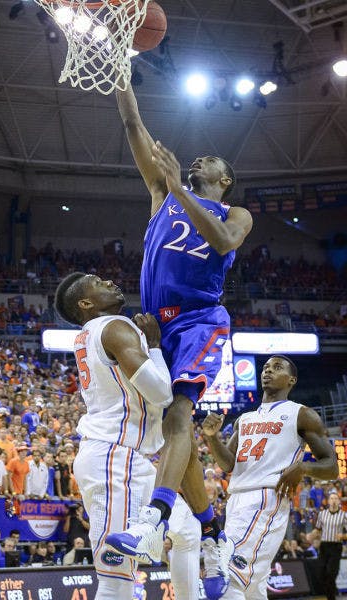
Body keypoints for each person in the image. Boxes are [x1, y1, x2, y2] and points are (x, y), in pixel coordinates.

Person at [113, 81, 252, 597]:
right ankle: (213, 532)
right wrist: (119, 66)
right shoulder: (161, 190)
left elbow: (222, 242)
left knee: (177, 417)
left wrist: (176, 189)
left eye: (209, 159)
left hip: (200, 320)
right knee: (179, 436)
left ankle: (154, 520)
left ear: (224, 179)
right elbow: (132, 124)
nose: (197, 160)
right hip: (155, 327)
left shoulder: (235, 213)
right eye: (192, 161)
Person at [54, 273, 201, 600]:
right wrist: (154, 347)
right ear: (86, 303)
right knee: (116, 581)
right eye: (98, 282)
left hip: (128, 459)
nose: (110, 282)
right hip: (113, 460)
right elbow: (162, 394)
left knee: (187, 532)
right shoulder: (114, 327)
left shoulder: (89, 334)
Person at [201, 355, 339, 599]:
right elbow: (228, 463)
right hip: (236, 501)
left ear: (291, 380)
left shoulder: (301, 414)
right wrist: (212, 437)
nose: (268, 371)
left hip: (267, 498)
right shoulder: (245, 419)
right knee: (253, 588)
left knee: (228, 575)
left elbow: (331, 467)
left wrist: (304, 468)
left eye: (277, 368)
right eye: (265, 368)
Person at [307, 491, 347, 600]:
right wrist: (311, 535)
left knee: (331, 573)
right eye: (332, 498)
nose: (333, 500)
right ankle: (332, 591)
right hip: (324, 546)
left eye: (335, 498)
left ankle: (331, 597)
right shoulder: (322, 514)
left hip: (336, 546)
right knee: (320, 573)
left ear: (338, 501)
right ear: (328, 501)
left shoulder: (344, 515)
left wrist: (343, 536)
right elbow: (318, 529)